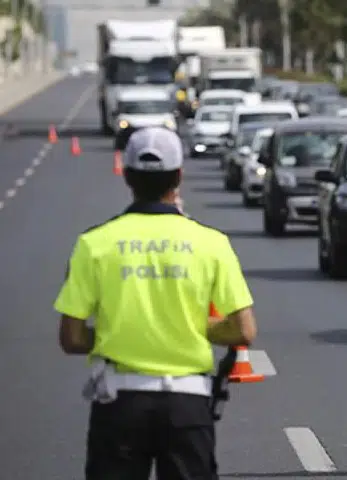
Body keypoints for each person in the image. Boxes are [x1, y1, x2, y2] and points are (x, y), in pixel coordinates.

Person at [54, 126, 258, 479]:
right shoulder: (211, 243)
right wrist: (196, 328)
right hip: (188, 404)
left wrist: (115, 333)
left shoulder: (94, 244)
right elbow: (244, 330)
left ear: (128, 176)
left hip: (119, 403)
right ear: (178, 176)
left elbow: (71, 338)